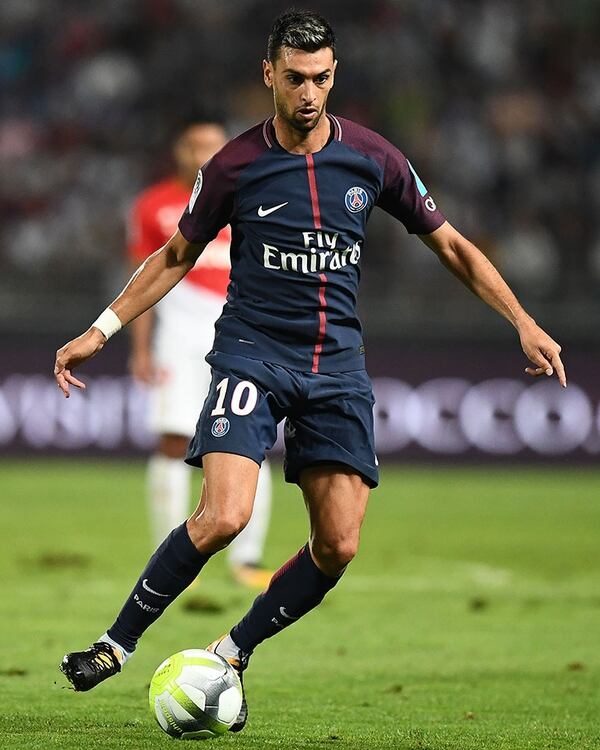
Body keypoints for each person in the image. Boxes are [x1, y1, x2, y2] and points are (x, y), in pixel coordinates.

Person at [54, 9, 566, 734]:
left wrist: (522, 319)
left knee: (340, 544)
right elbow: (174, 256)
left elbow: (451, 245)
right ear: (269, 75)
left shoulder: (373, 158)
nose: (308, 93)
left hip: (336, 368)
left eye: (321, 78)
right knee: (225, 515)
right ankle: (116, 644)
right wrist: (101, 330)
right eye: (294, 78)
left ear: (335, 76)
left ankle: (231, 651)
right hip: (252, 354)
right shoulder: (233, 165)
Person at [127, 119, 273, 589]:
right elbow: (143, 280)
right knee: (172, 441)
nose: (202, 154)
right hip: (177, 337)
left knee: (252, 444)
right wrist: (141, 347)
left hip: (239, 335)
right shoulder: (153, 206)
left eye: (211, 145)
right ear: (179, 149)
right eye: (194, 145)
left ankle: (246, 560)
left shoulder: (249, 194)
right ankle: (167, 554)